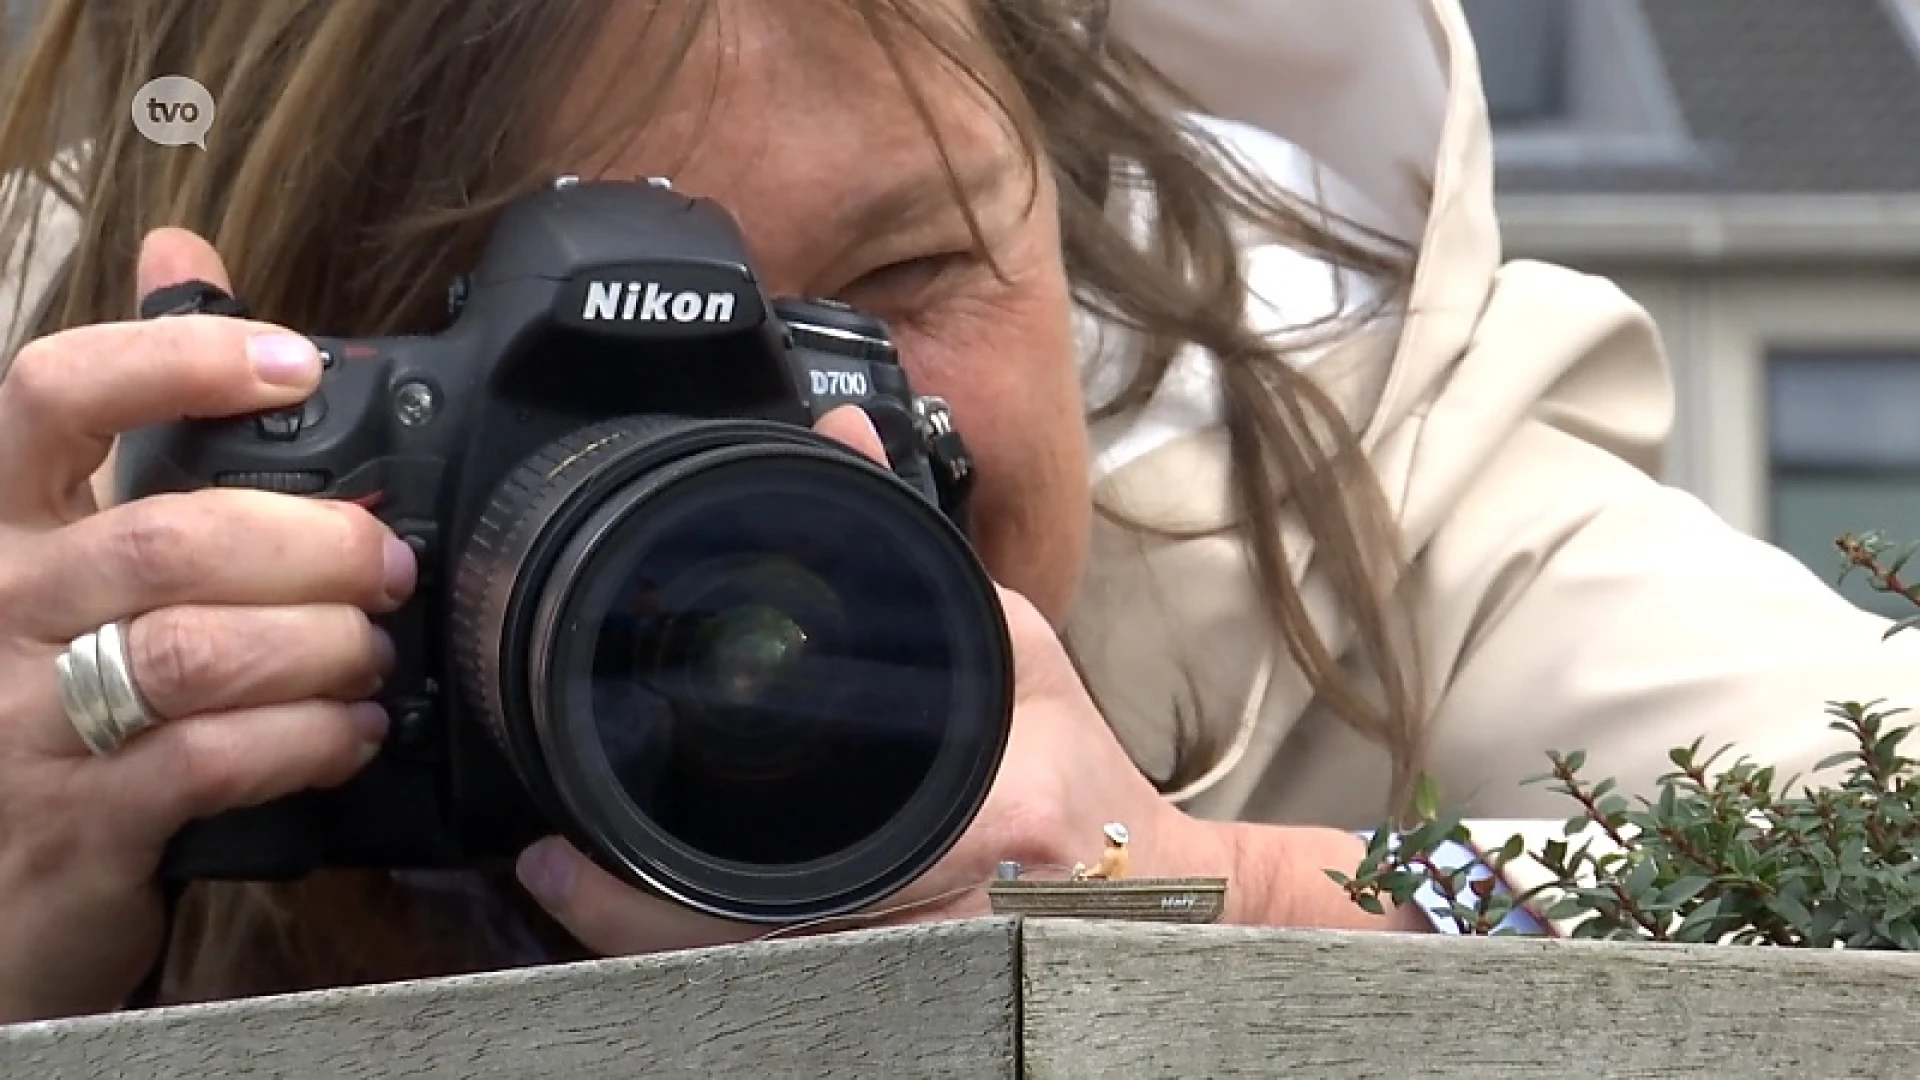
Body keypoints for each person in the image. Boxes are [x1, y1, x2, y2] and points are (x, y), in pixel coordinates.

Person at [0, 0, 1912, 1023]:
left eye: (890, 288)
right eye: (538, 354)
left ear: (1069, 233)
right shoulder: (79, 613)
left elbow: (1842, 875)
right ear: (264, 398)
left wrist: (1208, 891)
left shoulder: (1357, 542)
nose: (771, 473)